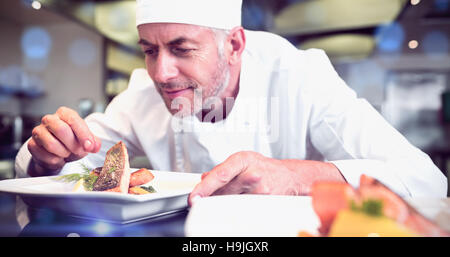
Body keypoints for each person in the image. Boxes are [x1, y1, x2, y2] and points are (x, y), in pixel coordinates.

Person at [15, 0, 447, 205]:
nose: (161, 73)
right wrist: (49, 156)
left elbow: (426, 181)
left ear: (234, 45)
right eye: (149, 50)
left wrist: (297, 176)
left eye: (183, 49)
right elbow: (62, 165)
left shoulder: (301, 77)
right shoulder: (144, 94)